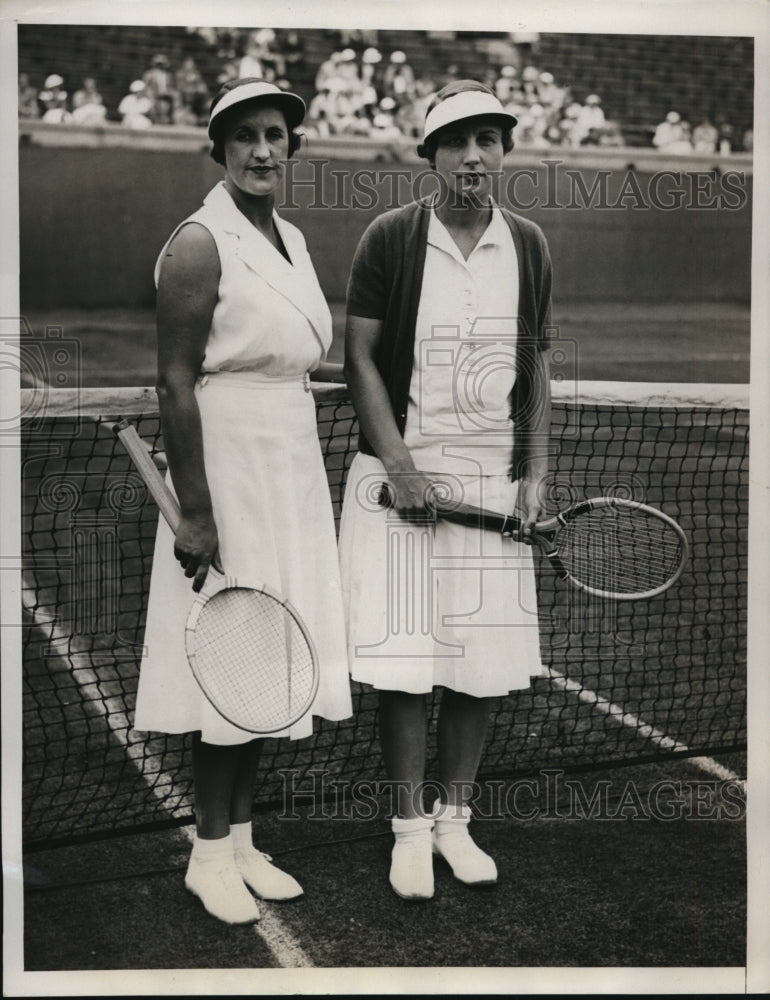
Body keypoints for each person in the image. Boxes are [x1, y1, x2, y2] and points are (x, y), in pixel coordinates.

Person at [134, 78, 353, 924]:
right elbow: (174, 383)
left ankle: (244, 838)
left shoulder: (290, 236)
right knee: (230, 657)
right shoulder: (198, 241)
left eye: (277, 135)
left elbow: (290, 356)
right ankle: (208, 853)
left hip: (289, 463)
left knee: (274, 653)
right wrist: (195, 508)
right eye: (246, 137)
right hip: (225, 468)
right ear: (219, 149)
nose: (265, 150)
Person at [339, 80, 552, 900]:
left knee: (480, 666)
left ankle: (455, 822)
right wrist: (399, 464)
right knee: (402, 664)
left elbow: (534, 366)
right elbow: (359, 357)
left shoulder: (528, 243)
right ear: (429, 154)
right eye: (456, 141)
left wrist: (533, 471)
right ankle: (405, 831)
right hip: (400, 481)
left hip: (491, 489)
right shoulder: (390, 236)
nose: (473, 157)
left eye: (488, 140)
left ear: (502, 152)